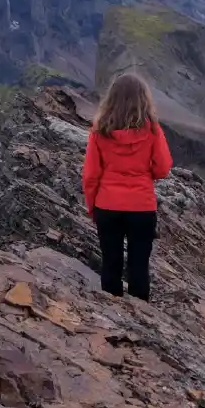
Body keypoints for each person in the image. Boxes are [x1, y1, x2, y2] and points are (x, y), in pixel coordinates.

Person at [81, 72, 173, 299]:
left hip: (107, 205)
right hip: (141, 207)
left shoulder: (100, 130)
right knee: (138, 266)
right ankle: (139, 313)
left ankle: (111, 312)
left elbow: (91, 175)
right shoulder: (153, 130)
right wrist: (144, 176)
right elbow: (163, 168)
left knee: (110, 264)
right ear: (143, 99)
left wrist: (92, 207)